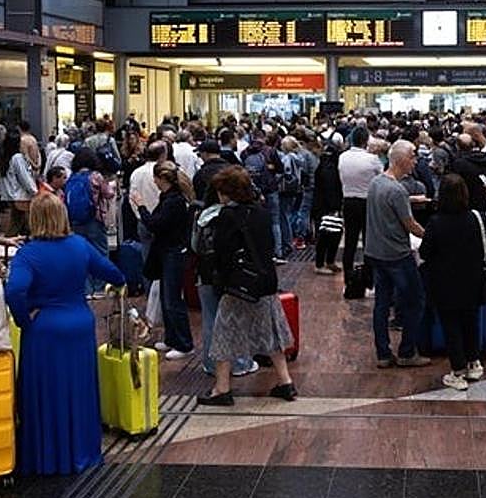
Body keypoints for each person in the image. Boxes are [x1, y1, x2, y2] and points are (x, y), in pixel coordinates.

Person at [6, 192, 125, 475]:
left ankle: (47, 456)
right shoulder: (80, 246)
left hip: (45, 328)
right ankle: (82, 451)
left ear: (34, 219)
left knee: (45, 392)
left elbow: (15, 289)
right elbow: (115, 274)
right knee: (79, 389)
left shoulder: (28, 254)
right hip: (80, 325)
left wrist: (24, 319)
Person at [197, 166, 297, 406]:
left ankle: (222, 389)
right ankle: (285, 382)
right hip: (264, 282)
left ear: (227, 192)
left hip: (238, 285)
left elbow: (221, 252)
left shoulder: (226, 217)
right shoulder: (261, 212)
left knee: (223, 332)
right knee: (270, 332)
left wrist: (218, 278)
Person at [419, 175, 486, 391]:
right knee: (471, 321)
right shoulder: (478, 218)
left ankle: (457, 370)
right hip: (473, 279)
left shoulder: (436, 222)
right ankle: (473, 362)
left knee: (451, 326)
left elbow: (425, 252)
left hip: (445, 282)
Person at [365, 140, 431, 369]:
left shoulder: (376, 183)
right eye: (412, 157)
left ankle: (383, 353)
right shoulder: (397, 190)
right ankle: (407, 351)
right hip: (397, 255)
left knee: (382, 304)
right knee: (415, 300)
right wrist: (431, 237)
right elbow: (410, 224)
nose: (415, 162)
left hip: (375, 252)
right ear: (401, 159)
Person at [134, 160, 195, 359]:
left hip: (172, 252)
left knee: (172, 299)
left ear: (162, 179)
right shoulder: (170, 198)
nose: (154, 181)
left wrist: (141, 206)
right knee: (167, 297)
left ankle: (183, 343)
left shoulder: (173, 201)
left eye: (156, 178)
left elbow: (155, 223)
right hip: (169, 251)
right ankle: (172, 338)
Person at [338, 126, 381, 281]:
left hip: (348, 200)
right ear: (366, 141)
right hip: (368, 201)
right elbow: (381, 177)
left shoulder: (343, 157)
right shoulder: (372, 159)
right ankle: (368, 277)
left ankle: (348, 276)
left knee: (350, 239)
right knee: (369, 241)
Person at [311, 134, 345, 274]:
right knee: (327, 234)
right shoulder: (330, 169)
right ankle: (321, 263)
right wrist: (335, 207)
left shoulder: (322, 165)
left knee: (328, 234)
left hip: (321, 205)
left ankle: (328, 261)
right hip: (327, 207)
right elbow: (331, 189)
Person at [0, 127, 38, 237]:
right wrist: (35, 191)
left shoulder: (4, 157)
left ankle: (9, 243)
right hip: (21, 195)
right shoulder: (18, 158)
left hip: (11, 194)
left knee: (16, 222)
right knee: (28, 225)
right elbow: (24, 177)